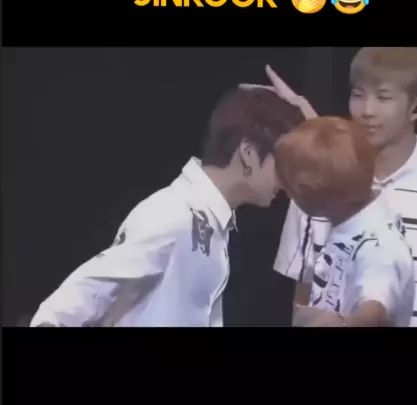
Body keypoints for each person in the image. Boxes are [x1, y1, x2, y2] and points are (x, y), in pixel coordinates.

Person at [29, 87, 304, 327]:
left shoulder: (211, 221)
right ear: (249, 153)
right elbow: (88, 289)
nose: (287, 178)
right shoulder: (176, 213)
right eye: (282, 162)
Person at [261, 48, 417, 328]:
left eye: (383, 97)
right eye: (358, 94)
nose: (367, 111)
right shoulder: (316, 185)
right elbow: (303, 308)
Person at [275, 116, 415, 327]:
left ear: (313, 195)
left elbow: (374, 309)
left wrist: (340, 325)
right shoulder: (347, 221)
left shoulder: (380, 247)